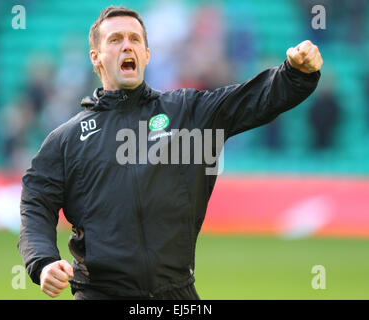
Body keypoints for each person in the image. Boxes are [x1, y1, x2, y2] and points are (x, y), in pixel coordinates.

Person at [18, 6, 323, 300]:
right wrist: (43, 261)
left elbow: (253, 101)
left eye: (135, 39)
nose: (127, 46)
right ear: (96, 58)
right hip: (100, 293)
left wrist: (295, 73)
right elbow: (36, 202)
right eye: (116, 40)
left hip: (177, 296)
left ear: (147, 55)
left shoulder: (187, 113)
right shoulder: (67, 140)